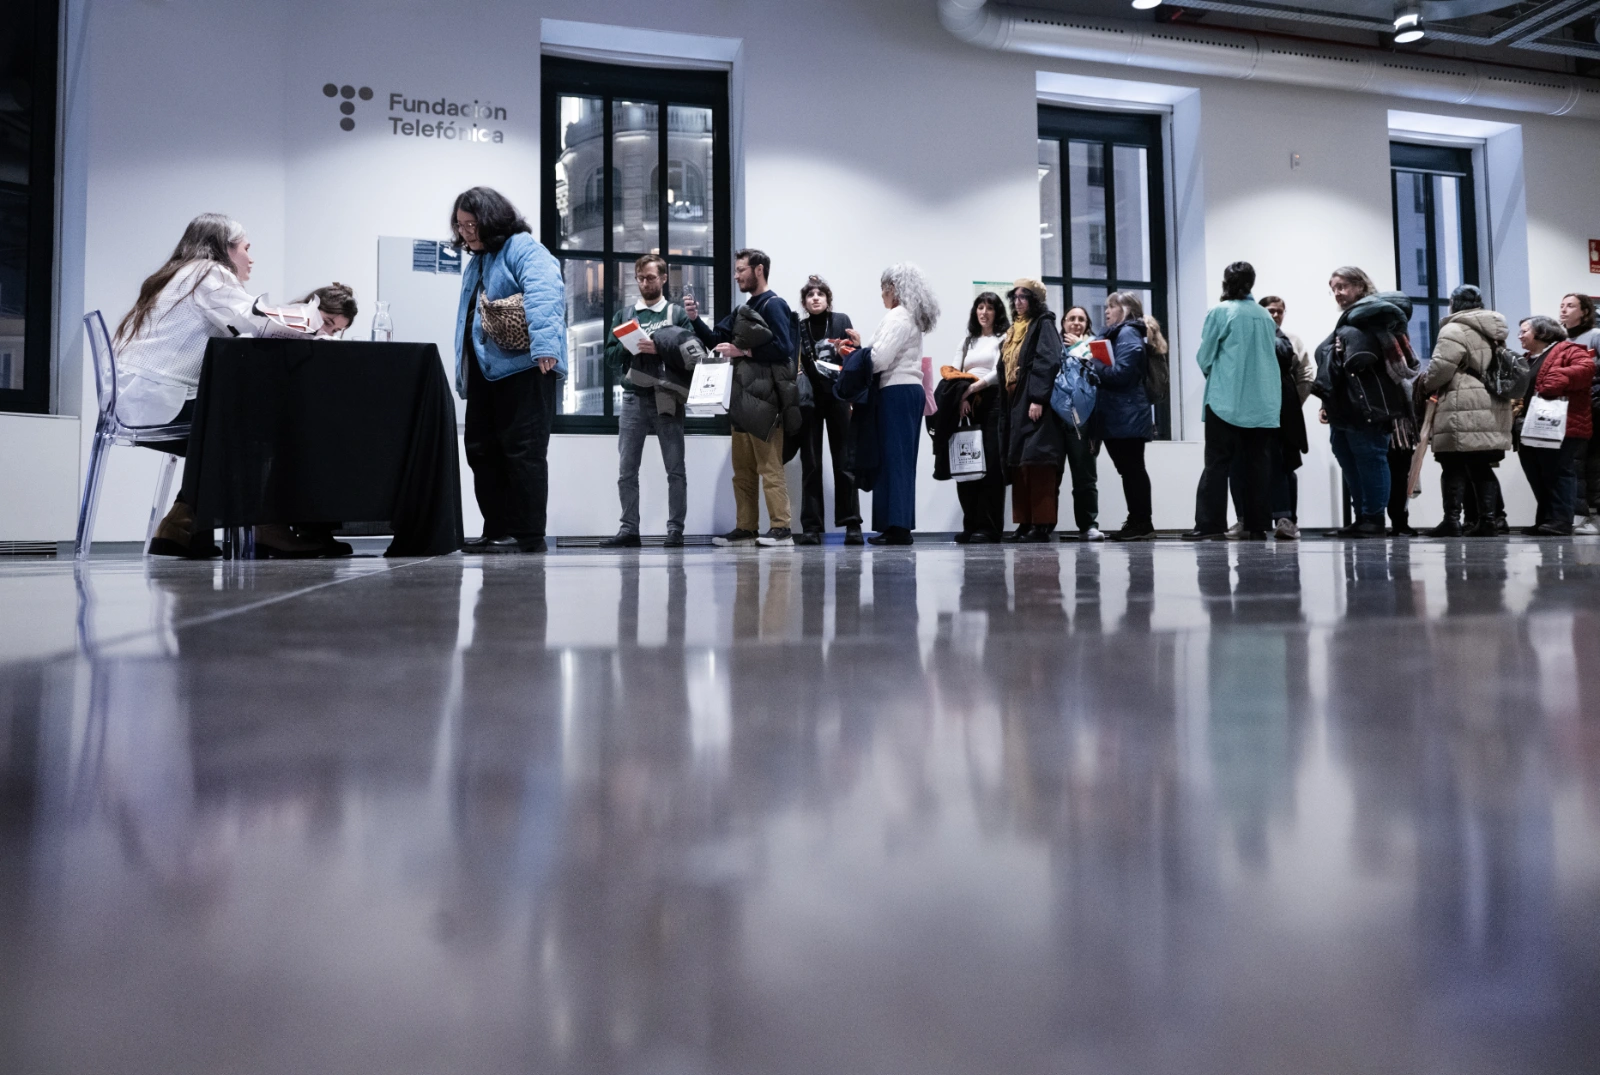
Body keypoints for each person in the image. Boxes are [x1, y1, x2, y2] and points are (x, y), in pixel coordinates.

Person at [119, 213, 339, 559]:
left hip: (141, 399)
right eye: (246, 248)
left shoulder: (177, 275)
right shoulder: (207, 272)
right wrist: (311, 321)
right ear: (224, 248)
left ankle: (184, 524)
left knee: (239, 422)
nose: (251, 258)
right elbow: (255, 322)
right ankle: (266, 526)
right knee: (267, 428)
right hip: (162, 401)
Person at [452, 186, 566, 555]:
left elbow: (545, 290)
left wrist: (546, 345)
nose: (466, 232)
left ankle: (527, 534)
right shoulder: (479, 260)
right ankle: (496, 530)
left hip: (526, 369)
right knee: (482, 451)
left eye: (472, 224)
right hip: (488, 373)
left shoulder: (522, 247)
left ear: (490, 219)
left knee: (523, 451)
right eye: (460, 226)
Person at [688, 248, 799, 547]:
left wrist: (744, 351)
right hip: (741, 400)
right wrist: (696, 319)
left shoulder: (774, 305)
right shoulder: (744, 308)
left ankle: (781, 529)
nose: (736, 275)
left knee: (770, 469)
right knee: (743, 472)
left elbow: (784, 348)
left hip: (765, 403)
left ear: (758, 270)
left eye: (741, 270)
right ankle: (746, 527)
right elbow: (716, 340)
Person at [1312, 266, 1418, 538]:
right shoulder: (1352, 322)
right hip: (1345, 405)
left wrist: (1344, 347)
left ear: (1361, 286)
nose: (1337, 292)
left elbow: (1366, 359)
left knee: (1371, 459)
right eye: (1333, 287)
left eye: (1343, 286)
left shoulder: (1376, 318)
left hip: (1368, 406)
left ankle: (1373, 518)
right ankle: (1362, 517)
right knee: (1350, 460)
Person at [600, 254, 692, 548]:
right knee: (626, 470)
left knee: (675, 469)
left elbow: (691, 356)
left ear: (664, 278)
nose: (645, 283)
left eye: (651, 277)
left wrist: (658, 348)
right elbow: (610, 358)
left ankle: (675, 530)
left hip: (667, 396)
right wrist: (631, 348)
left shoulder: (676, 314)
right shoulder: (625, 315)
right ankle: (629, 530)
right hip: (633, 398)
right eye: (640, 278)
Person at [1183, 261, 1280, 541]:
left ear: (1225, 282)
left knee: (1217, 464)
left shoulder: (1221, 312)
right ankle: (1258, 525)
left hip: (1226, 399)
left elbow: (1205, 355)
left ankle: (1210, 525)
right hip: (1263, 401)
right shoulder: (1264, 316)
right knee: (1257, 466)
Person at [1416, 285, 1511, 537]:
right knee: (1481, 464)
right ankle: (1489, 521)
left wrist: (1425, 386)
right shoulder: (1495, 331)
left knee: (1452, 464)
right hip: (1491, 402)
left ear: (1454, 304)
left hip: (1462, 402)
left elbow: (1441, 368)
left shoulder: (1453, 328)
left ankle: (1452, 520)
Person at [861, 263, 939, 545]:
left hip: (896, 390)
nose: (882, 296)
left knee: (894, 460)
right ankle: (896, 524)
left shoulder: (897, 317)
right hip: (904, 391)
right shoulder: (908, 317)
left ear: (891, 289)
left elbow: (880, 359)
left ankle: (897, 527)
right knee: (899, 460)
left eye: (882, 290)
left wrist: (858, 358)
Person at [1239, 295, 1316, 539]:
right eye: (1270, 311)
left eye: (1279, 311)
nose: (1275, 315)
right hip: (1253, 413)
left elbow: (1305, 376)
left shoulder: (1292, 340)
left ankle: (1286, 520)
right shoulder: (1248, 338)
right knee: (1250, 466)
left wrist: (1293, 404)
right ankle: (1248, 521)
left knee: (1284, 464)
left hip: (1283, 414)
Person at [793, 275, 861, 545]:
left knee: (845, 462)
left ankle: (852, 525)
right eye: (810, 295)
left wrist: (856, 347)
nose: (816, 298)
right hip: (810, 401)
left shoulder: (842, 321)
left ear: (828, 299)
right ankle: (811, 527)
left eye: (820, 294)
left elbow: (855, 358)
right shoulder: (799, 327)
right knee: (811, 464)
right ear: (805, 302)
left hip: (838, 397)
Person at [1090, 293, 1162, 541]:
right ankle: (1137, 520)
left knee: (1132, 470)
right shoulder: (1118, 334)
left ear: (1127, 309)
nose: (1107, 311)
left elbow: (1121, 373)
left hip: (1127, 414)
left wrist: (1094, 363)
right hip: (1119, 414)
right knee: (1130, 470)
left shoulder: (1128, 333)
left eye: (1112, 306)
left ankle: (1141, 522)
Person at [938, 292, 1008, 542]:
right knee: (966, 464)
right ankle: (971, 525)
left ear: (997, 312)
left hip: (993, 402)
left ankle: (989, 527)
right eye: (980, 307)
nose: (984, 312)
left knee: (990, 466)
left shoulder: (1003, 338)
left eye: (990, 308)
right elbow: (955, 373)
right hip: (966, 404)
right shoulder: (967, 341)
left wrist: (972, 388)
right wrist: (963, 396)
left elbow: (1000, 371)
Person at [1000, 279, 1066, 542]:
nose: (1018, 302)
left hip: (1035, 402)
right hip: (1016, 401)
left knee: (1038, 464)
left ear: (1035, 300)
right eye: (1015, 297)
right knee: (1019, 464)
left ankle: (1041, 524)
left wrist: (1038, 398)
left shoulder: (1043, 324)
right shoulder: (1014, 329)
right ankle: (1024, 522)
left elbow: (1047, 360)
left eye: (1024, 297)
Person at [1520, 314, 1594, 536]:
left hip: (1564, 425)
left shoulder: (1568, 349)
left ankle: (1561, 521)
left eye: (1525, 330)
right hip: (1534, 425)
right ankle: (1545, 519)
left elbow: (1587, 368)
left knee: (1559, 471)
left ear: (1542, 332)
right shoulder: (1529, 358)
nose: (1520, 335)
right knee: (1537, 471)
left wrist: (1557, 378)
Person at [1059, 305, 1103, 541]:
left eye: (1081, 319)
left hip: (1082, 420)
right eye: (1071, 318)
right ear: (1063, 322)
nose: (1076, 323)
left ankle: (1089, 525)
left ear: (1087, 324)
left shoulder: (1093, 346)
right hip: (1054, 419)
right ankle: (1042, 526)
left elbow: (1098, 370)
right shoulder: (1054, 346)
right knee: (1050, 477)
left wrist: (1078, 346)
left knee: (1085, 477)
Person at [1558, 292, 1600, 534]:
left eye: (1570, 306)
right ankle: (1578, 514)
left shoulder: (1595, 337)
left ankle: (1592, 517)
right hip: (1571, 409)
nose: (1563, 310)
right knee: (1575, 463)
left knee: (1593, 464)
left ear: (1584, 311)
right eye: (1561, 306)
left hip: (1595, 407)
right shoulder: (1560, 341)